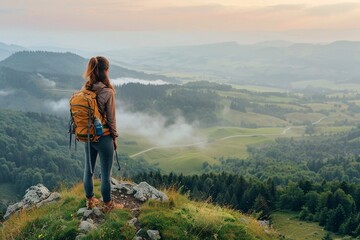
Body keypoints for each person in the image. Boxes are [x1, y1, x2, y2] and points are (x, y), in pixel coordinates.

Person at [82, 56, 123, 213]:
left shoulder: (86, 89)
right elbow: (111, 119)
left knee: (89, 169)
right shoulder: (107, 92)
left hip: (88, 136)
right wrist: (114, 137)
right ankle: (107, 204)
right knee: (106, 174)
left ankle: (90, 201)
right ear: (105, 70)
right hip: (103, 136)